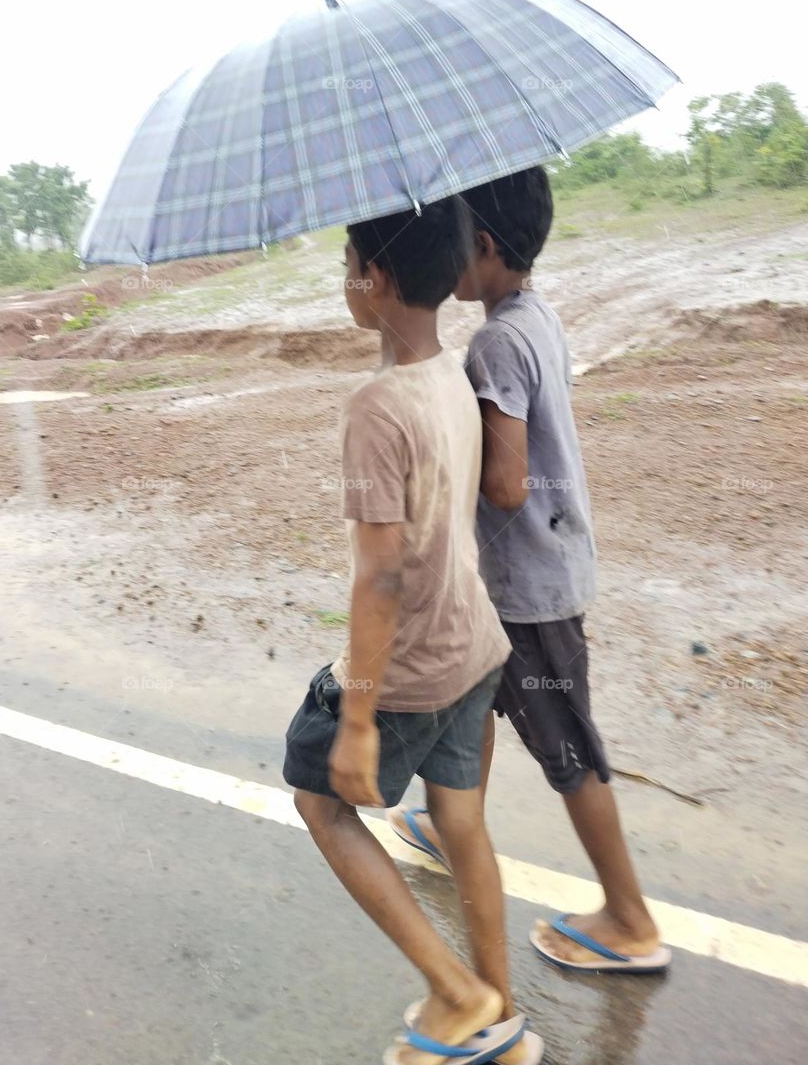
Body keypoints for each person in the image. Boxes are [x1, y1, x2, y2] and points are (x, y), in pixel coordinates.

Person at [389, 168, 670, 975]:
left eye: (451, 239)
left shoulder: (497, 342)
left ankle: (629, 916)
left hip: (529, 587)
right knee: (474, 696)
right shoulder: (533, 316)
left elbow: (507, 481)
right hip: (529, 571)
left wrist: (441, 446)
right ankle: (450, 825)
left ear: (478, 247)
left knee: (564, 745)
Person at [283, 199, 544, 1064]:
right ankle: (500, 1014)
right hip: (478, 648)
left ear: (377, 278)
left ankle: (458, 992)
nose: (344, 278)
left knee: (320, 800)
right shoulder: (453, 374)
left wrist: (357, 720)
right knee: (460, 824)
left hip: (417, 667)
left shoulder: (375, 407)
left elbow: (381, 575)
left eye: (349, 260)